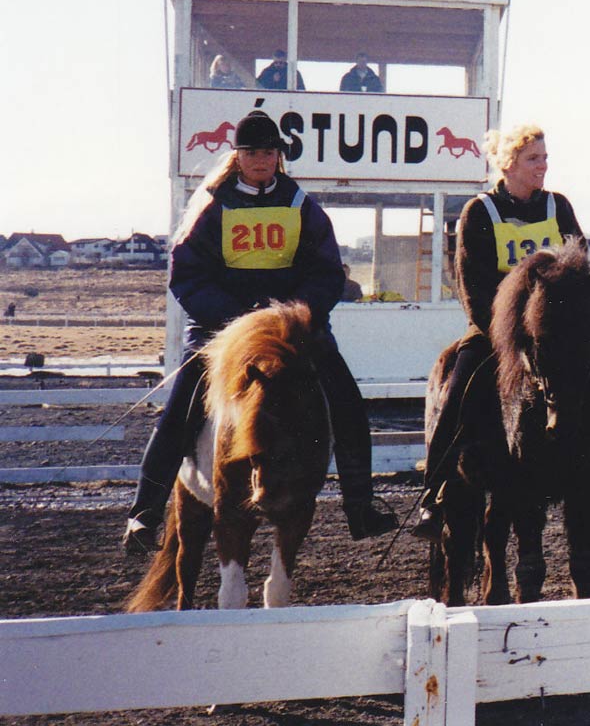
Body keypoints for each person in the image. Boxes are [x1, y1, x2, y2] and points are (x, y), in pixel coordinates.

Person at [123, 110, 396, 555]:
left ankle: (360, 506)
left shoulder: (301, 206)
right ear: (238, 156)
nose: (261, 160)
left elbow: (327, 272)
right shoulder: (211, 206)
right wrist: (239, 318)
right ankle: (145, 513)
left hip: (290, 329)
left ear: (278, 156)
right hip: (222, 329)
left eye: (269, 152)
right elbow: (187, 276)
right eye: (252, 153)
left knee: (346, 401)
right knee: (181, 409)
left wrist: (292, 314)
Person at [412, 123, 590, 542]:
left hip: (552, 335)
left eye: (544, 158)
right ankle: (434, 498)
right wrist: (507, 334)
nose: (542, 166)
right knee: (456, 397)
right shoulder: (479, 212)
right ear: (508, 163)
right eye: (533, 159)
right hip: (495, 331)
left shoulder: (558, 207)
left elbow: (579, 266)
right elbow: (470, 284)